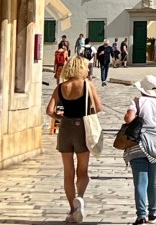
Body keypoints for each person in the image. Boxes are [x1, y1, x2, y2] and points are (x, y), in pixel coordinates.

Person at [45, 55, 102, 224]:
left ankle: (72, 209)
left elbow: (49, 111)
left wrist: (61, 118)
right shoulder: (87, 85)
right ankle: (80, 200)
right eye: (86, 67)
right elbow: (98, 107)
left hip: (65, 129)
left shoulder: (61, 87)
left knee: (68, 172)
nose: (87, 70)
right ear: (80, 68)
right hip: (82, 128)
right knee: (82, 170)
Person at [122, 75, 156, 225]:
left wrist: (130, 112)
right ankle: (153, 213)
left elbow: (129, 119)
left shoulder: (137, 102)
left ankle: (141, 216)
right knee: (154, 181)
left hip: (139, 144)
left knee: (140, 182)